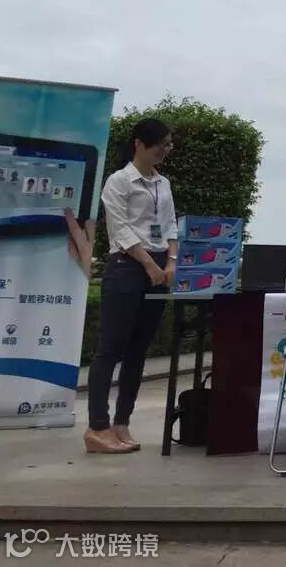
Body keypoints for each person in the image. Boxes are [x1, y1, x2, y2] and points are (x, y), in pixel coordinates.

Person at [86, 118, 178, 454]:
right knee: (110, 349)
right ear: (139, 143)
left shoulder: (163, 183)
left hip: (159, 268)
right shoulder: (119, 181)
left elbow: (170, 225)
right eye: (161, 144)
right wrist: (149, 264)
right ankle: (97, 426)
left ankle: (122, 422)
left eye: (169, 144)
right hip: (127, 266)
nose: (165, 150)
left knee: (139, 349)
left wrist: (171, 262)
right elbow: (121, 229)